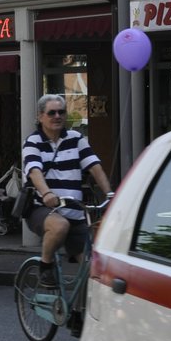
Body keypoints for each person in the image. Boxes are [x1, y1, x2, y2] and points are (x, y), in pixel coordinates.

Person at [23, 94, 113, 286]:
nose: (57, 116)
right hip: (43, 208)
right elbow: (34, 171)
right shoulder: (33, 141)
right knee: (60, 226)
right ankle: (46, 267)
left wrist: (110, 195)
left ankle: (79, 312)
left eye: (61, 112)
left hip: (75, 211)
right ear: (40, 116)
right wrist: (46, 193)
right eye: (51, 113)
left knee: (94, 272)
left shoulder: (76, 138)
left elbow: (95, 167)